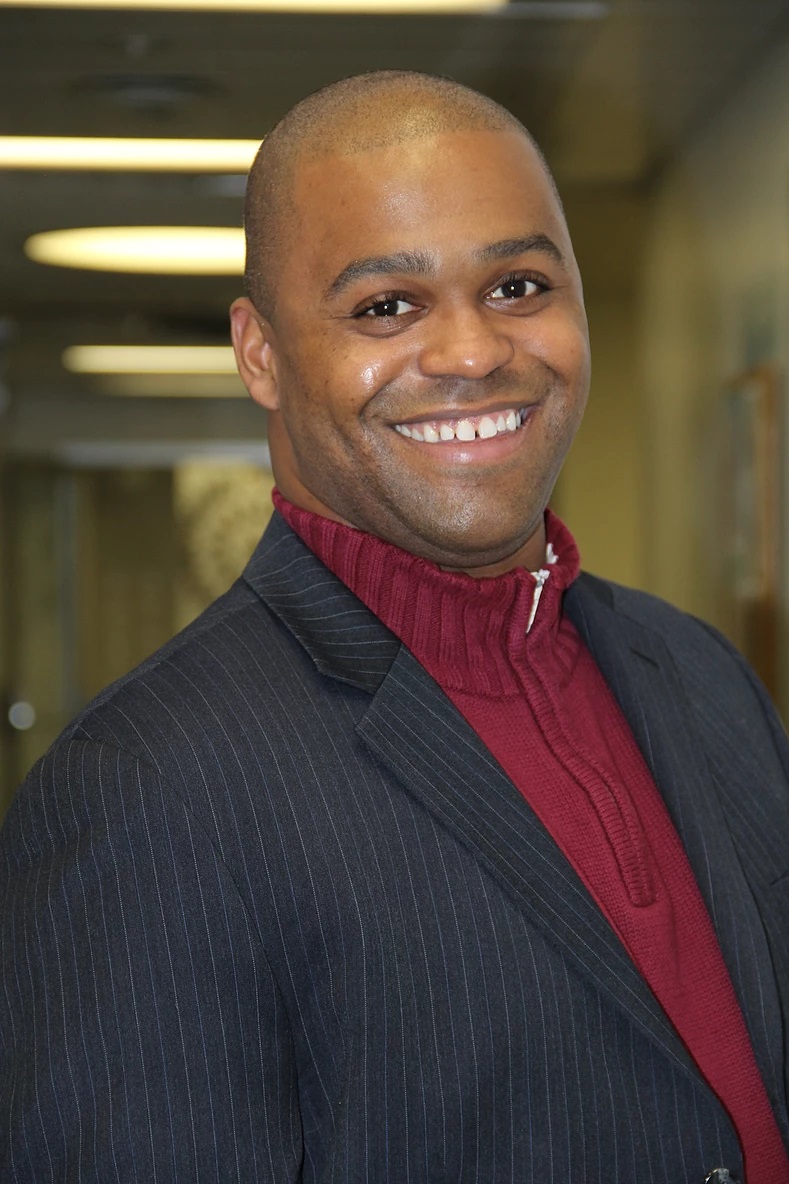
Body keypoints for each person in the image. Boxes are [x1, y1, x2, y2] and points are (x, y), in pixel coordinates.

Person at [1, 70, 788, 1184]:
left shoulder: (703, 676)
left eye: (518, 284)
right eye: (385, 305)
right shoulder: (147, 788)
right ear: (261, 353)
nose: (472, 352)